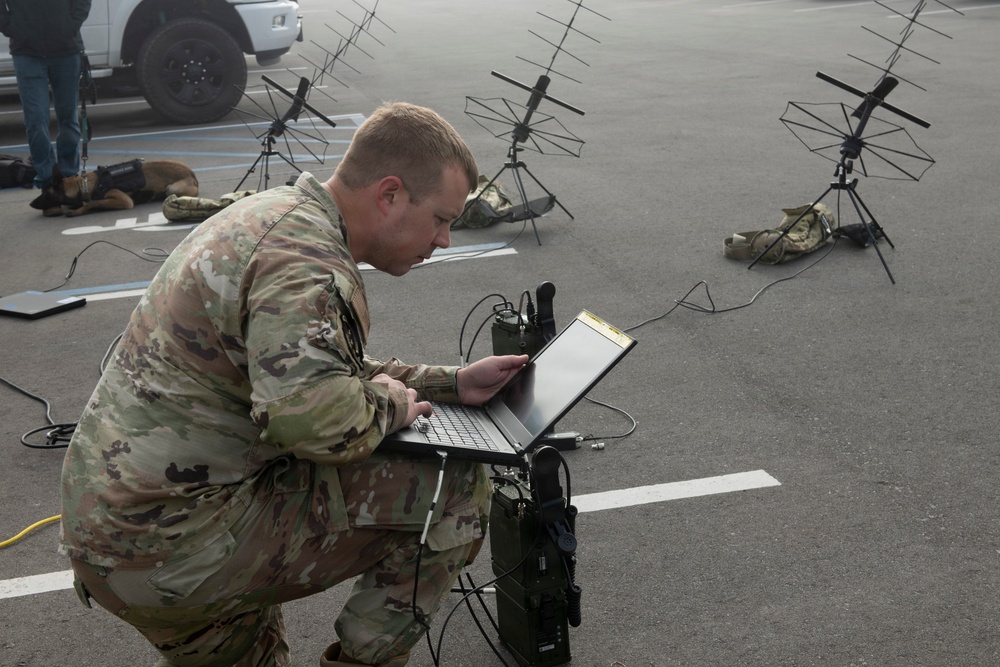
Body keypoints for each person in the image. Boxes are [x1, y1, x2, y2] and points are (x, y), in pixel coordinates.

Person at [59, 102, 529, 667]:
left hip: (118, 532)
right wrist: (392, 403)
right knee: (453, 486)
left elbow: (313, 368)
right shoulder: (307, 263)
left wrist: (449, 383)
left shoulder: (276, 216)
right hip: (178, 546)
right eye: (441, 219)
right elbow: (318, 423)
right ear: (390, 194)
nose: (445, 240)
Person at [0, 0, 91, 189]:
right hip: (26, 53)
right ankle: (47, 179)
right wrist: (11, 28)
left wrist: (70, 26)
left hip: (66, 51)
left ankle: (69, 175)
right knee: (35, 119)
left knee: (68, 117)